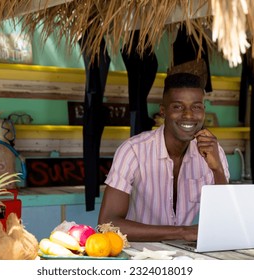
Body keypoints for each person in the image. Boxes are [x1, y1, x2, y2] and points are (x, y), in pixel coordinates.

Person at [98, 61, 230, 242]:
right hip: (140, 257)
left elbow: (225, 220)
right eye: (178, 106)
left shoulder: (213, 152)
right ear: (163, 111)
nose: (189, 115)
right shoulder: (133, 151)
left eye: (196, 107)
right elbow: (107, 224)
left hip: (186, 256)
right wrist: (183, 232)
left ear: (204, 111)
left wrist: (218, 170)